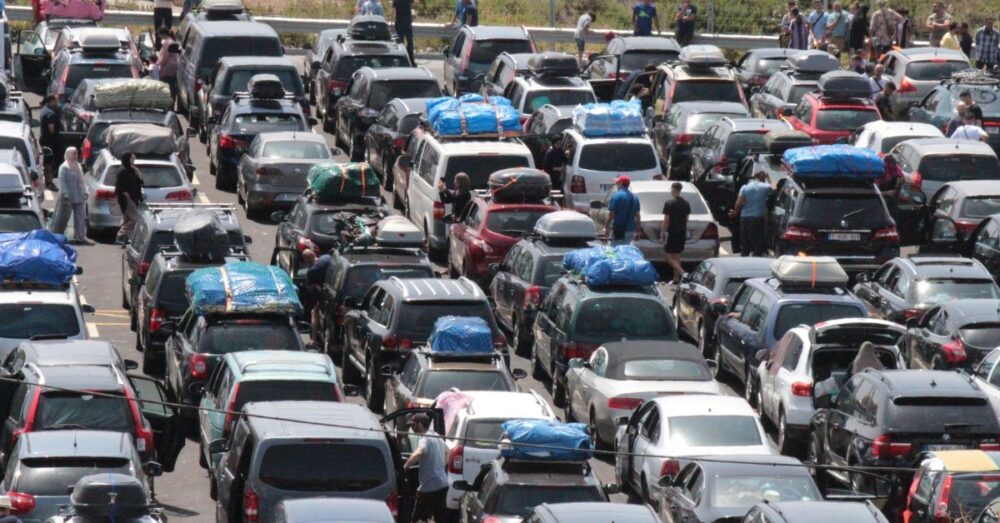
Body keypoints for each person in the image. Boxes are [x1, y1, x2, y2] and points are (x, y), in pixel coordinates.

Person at [404, 414, 448, 523]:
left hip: (429, 488)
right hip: (442, 484)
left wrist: (404, 467)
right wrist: (441, 466)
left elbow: (419, 452)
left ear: (420, 424)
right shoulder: (436, 436)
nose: (412, 428)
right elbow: (448, 451)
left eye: (413, 425)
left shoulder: (424, 439)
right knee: (440, 518)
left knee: (416, 519)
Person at [48, 147, 89, 244]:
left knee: (80, 217)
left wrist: (86, 191)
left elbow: (82, 180)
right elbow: (62, 182)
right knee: (62, 217)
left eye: (76, 153)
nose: (76, 155)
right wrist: (65, 194)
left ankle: (80, 237)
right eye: (74, 153)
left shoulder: (78, 166)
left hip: (78, 195)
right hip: (67, 196)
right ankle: (57, 236)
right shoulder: (64, 167)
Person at [728, 171, 772, 257]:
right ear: (763, 177)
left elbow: (738, 203)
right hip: (758, 219)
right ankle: (754, 261)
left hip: (745, 218)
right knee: (757, 245)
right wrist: (768, 178)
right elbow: (774, 189)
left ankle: (744, 261)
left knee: (745, 245)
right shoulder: (766, 187)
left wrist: (735, 212)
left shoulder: (745, 187)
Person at [660, 182, 689, 283]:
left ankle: (682, 273)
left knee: (668, 257)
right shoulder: (686, 203)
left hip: (672, 232)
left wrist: (663, 233)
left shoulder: (669, 203)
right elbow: (686, 219)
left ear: (673, 189)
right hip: (682, 232)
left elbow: (666, 220)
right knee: (677, 255)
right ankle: (676, 279)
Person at [114, 153, 144, 244]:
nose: (133, 160)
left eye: (134, 159)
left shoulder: (133, 170)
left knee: (126, 219)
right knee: (135, 219)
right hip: (126, 199)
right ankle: (121, 234)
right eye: (131, 158)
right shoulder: (122, 171)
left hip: (134, 197)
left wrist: (138, 173)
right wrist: (127, 196)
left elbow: (140, 182)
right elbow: (120, 186)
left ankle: (123, 239)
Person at [607, 175, 640, 245]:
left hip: (618, 230)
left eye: (617, 183)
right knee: (626, 250)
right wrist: (637, 231)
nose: (616, 185)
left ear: (621, 183)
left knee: (615, 250)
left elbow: (611, 216)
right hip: (630, 230)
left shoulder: (616, 196)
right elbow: (638, 217)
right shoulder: (635, 197)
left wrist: (607, 228)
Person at [39, 95, 61, 191]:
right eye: (56, 101)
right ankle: (49, 182)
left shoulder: (44, 110)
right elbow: (51, 129)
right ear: (52, 101)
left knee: (46, 162)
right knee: (49, 163)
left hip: (44, 140)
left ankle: (47, 181)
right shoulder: (50, 114)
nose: (57, 102)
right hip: (49, 141)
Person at [158, 28, 180, 105]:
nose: (159, 36)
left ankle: (166, 103)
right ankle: (172, 102)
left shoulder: (167, 43)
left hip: (167, 68)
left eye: (159, 34)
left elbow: (164, 57)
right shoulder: (172, 41)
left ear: (163, 34)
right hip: (174, 67)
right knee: (172, 85)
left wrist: (160, 65)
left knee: (165, 86)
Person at [391, 0, 414, 64]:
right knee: (409, 41)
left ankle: (401, 60)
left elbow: (393, 10)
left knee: (400, 43)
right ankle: (411, 59)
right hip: (407, 22)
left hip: (399, 22)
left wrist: (392, 21)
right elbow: (414, 3)